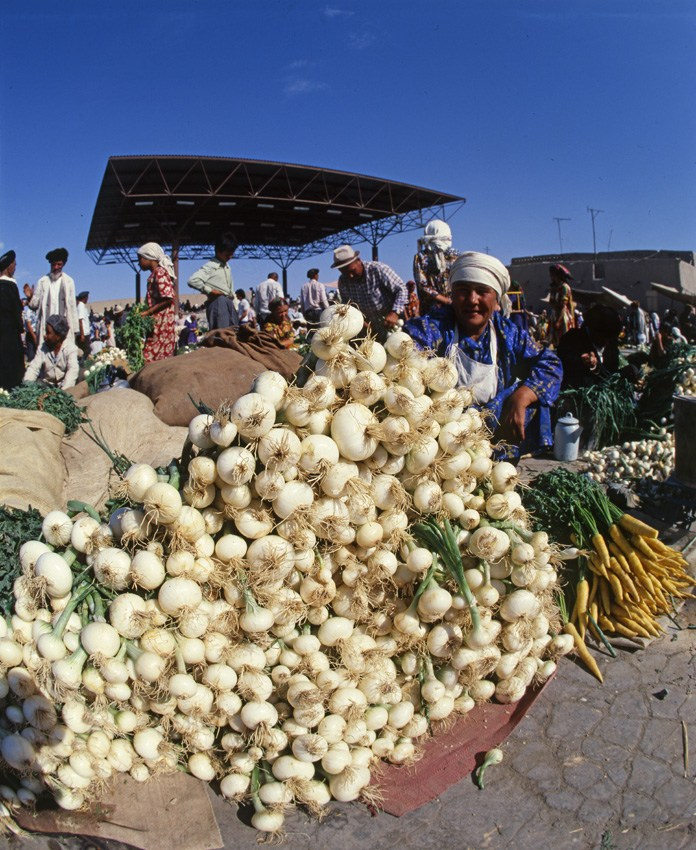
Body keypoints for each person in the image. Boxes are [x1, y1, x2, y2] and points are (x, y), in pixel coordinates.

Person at [404, 252, 562, 461]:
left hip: (495, 428)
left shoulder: (507, 332)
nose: (472, 300)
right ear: (451, 295)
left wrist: (522, 397)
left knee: (537, 395)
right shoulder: (432, 327)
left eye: (481, 291)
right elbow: (408, 353)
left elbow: (550, 363)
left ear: (496, 299)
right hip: (445, 435)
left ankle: (506, 456)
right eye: (463, 291)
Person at [333, 245, 407, 339]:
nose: (350, 276)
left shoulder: (378, 269)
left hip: (394, 323)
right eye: (345, 273)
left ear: (358, 260)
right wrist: (361, 323)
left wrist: (395, 312)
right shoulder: (343, 281)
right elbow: (349, 307)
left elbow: (401, 289)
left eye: (352, 271)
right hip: (371, 329)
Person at [556, 303, 623, 390]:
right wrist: (585, 363)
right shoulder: (572, 339)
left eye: (609, 339)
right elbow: (564, 365)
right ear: (594, 331)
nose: (607, 342)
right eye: (604, 338)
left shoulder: (611, 342)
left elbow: (612, 370)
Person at [24, 248, 78, 347]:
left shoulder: (69, 281)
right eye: (53, 264)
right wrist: (30, 297)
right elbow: (34, 305)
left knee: (64, 354)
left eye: (59, 264)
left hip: (63, 328)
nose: (56, 267)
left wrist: (75, 330)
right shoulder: (42, 281)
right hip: (46, 329)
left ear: (64, 264)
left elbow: (72, 306)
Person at [187, 233, 239, 331]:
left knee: (234, 335)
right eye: (227, 253)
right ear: (218, 250)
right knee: (222, 335)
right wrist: (210, 291)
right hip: (218, 303)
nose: (230, 256)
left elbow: (231, 290)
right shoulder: (210, 266)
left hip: (230, 303)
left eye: (232, 253)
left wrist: (235, 307)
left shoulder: (227, 267)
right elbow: (192, 280)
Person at [136, 243, 177, 363]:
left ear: (149, 257)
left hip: (162, 324)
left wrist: (148, 312)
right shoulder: (155, 274)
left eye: (140, 259)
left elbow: (169, 298)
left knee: (151, 357)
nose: (139, 263)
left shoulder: (159, 272)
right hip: (158, 322)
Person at [412, 219, 459, 315]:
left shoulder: (455, 256)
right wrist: (445, 301)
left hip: (455, 306)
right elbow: (423, 285)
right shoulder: (421, 257)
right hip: (432, 310)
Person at [23, 314, 79, 389]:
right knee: (37, 383)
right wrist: (26, 387)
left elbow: (72, 371)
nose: (45, 335)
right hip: (48, 386)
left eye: (48, 333)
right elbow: (33, 368)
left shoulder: (70, 348)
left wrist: (63, 393)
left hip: (64, 385)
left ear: (58, 336)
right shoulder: (43, 348)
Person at [0, 251, 25, 390]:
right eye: (14, 265)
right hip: (10, 336)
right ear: (9, 267)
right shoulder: (10, 286)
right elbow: (17, 313)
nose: (15, 268)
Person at [547, 263, 576, 347]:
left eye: (552, 274)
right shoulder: (554, 288)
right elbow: (552, 302)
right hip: (555, 314)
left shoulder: (564, 287)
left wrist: (559, 321)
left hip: (563, 316)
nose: (551, 277)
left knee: (564, 338)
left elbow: (563, 305)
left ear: (557, 275)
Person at [75, 290, 91, 358]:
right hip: (83, 334)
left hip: (85, 333)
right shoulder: (81, 306)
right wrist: (82, 334)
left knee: (86, 351)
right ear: (85, 298)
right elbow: (80, 321)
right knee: (85, 352)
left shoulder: (82, 306)